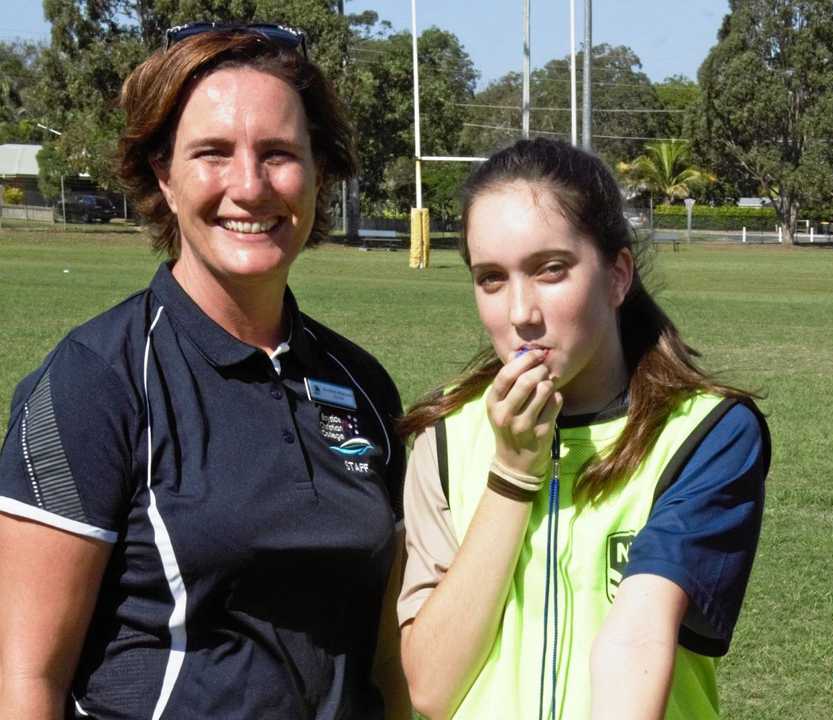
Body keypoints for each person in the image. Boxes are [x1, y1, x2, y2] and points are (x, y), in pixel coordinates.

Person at [0, 24, 409, 719]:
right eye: (212, 154)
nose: (249, 187)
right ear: (164, 172)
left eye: (279, 154)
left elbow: (385, 657)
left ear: (319, 172)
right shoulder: (93, 381)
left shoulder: (362, 384)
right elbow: (26, 680)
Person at [396, 138, 770, 720]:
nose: (521, 312)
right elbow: (431, 686)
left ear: (618, 275)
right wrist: (512, 475)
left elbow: (638, 638)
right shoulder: (444, 439)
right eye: (491, 279)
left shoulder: (705, 433)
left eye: (550, 270)